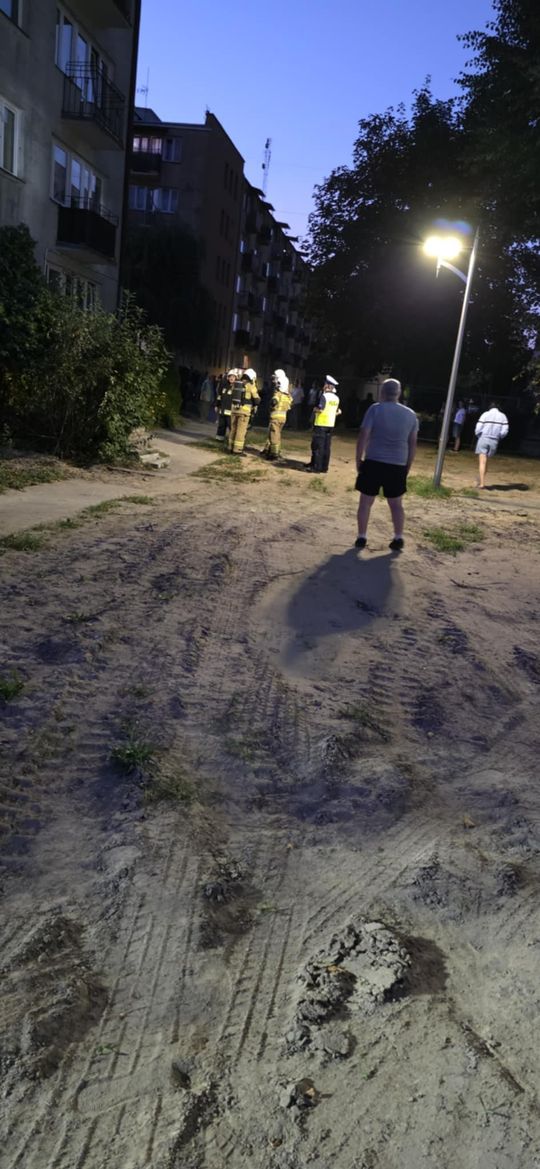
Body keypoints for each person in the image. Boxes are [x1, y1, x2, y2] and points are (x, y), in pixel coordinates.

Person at [354, 377, 418, 552]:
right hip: (397, 464)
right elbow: (412, 444)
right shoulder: (410, 415)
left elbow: (363, 436)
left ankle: (362, 536)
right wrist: (408, 465)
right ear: (399, 393)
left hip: (374, 461)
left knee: (365, 501)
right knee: (396, 504)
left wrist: (358, 459)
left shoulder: (375, 410)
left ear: (382, 392)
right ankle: (398, 537)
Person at [306, 375, 341, 473]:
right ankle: (324, 467)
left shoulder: (324, 396)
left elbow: (320, 409)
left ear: (328, 386)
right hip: (330, 424)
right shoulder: (336, 398)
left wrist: (315, 409)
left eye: (325, 384)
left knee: (318, 446)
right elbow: (338, 411)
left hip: (321, 423)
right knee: (326, 447)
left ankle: (316, 467)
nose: (324, 386)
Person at [474, 400, 509, 487]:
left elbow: (478, 428)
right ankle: (479, 480)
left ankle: (481, 483)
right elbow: (505, 430)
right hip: (494, 440)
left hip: (484, 438)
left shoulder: (485, 414)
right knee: (486, 461)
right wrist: (499, 436)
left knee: (482, 462)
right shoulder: (503, 416)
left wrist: (479, 435)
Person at [228, 368, 260, 456]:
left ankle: (230, 447)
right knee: (241, 431)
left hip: (234, 410)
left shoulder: (237, 384)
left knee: (233, 429)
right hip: (244, 412)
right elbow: (257, 400)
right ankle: (237, 450)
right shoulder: (250, 386)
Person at [262, 369, 292, 460]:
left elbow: (274, 402)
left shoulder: (277, 393)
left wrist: (271, 404)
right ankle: (272, 450)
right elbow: (289, 406)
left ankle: (273, 454)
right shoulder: (288, 396)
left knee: (273, 435)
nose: (274, 382)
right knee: (276, 435)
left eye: (276, 380)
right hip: (283, 418)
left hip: (275, 417)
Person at [216, 370, 236, 440]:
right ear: (228, 377)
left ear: (236, 378)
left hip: (230, 411)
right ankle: (219, 439)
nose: (231, 378)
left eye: (233, 377)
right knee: (221, 425)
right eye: (230, 376)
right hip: (222, 410)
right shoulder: (224, 386)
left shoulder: (236, 388)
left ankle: (231, 440)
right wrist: (217, 405)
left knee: (231, 426)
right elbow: (219, 396)